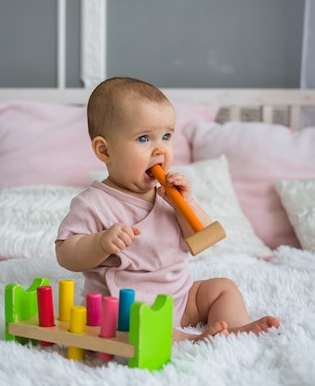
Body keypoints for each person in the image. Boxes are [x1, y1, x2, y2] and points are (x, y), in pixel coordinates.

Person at [55, 76, 280, 342]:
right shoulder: (94, 203)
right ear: (105, 151)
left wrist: (186, 203)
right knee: (129, 324)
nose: (160, 149)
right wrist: (100, 243)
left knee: (223, 288)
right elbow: (65, 253)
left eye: (166, 136)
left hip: (180, 297)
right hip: (126, 307)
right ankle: (191, 340)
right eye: (143, 138)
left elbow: (204, 239)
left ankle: (234, 329)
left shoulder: (169, 196)